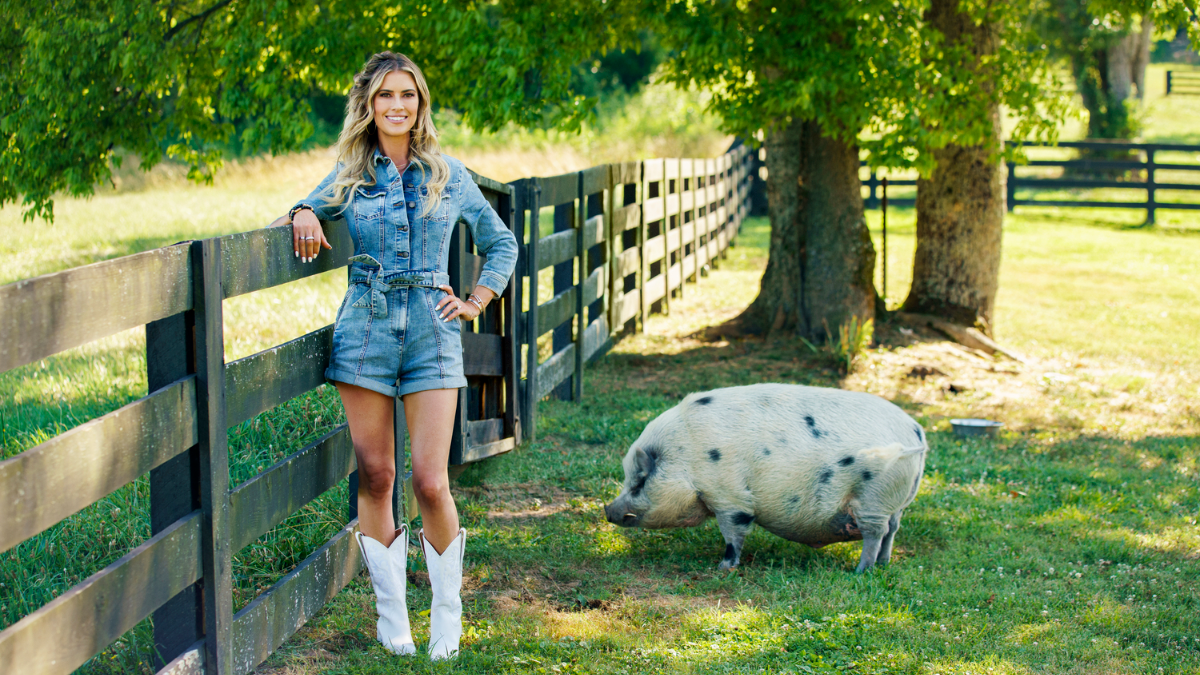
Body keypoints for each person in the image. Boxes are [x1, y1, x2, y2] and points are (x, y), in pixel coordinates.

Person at [285, 51, 517, 659]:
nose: (397, 105)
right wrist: (305, 212)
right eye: (385, 95)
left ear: (420, 104)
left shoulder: (448, 173)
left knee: (430, 482)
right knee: (376, 475)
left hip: (432, 334)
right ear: (369, 104)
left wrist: (477, 299)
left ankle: (447, 617)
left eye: (407, 94)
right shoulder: (349, 175)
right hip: (364, 330)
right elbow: (301, 210)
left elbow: (501, 242)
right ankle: (393, 622)